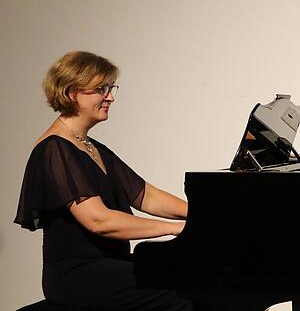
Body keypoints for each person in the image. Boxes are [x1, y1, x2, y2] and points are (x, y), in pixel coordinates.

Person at [15, 51, 193, 310]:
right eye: (100, 89)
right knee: (180, 293)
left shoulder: (91, 147)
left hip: (110, 266)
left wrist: (203, 215)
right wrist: (176, 228)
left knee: (195, 278)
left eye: (110, 88)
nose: (110, 97)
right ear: (72, 93)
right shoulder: (54, 149)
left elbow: (145, 195)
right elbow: (99, 220)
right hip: (78, 274)